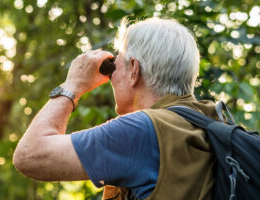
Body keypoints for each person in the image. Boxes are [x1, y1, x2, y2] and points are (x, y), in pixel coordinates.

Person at [13, 17, 217, 200]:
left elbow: (29, 156)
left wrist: (73, 85)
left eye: (114, 66)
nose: (111, 78)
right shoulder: (211, 123)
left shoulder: (141, 130)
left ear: (134, 70)